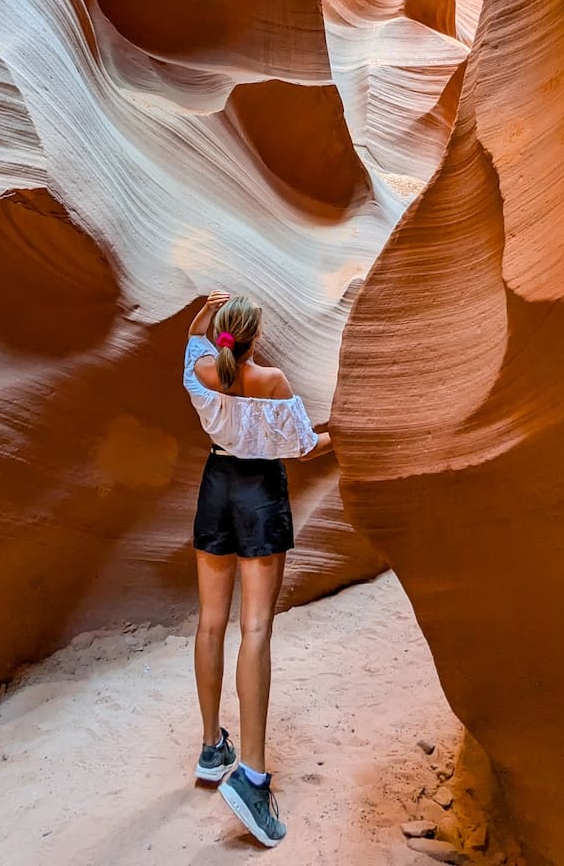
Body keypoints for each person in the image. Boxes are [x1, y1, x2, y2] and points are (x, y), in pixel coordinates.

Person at [183, 290, 333, 847]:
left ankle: (209, 747)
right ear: (255, 337)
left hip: (215, 488)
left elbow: (191, 346)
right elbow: (301, 446)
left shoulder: (201, 371)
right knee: (256, 630)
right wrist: (342, 429)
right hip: (259, 494)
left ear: (223, 334)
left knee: (209, 624)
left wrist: (204, 315)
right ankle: (251, 775)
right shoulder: (270, 380)